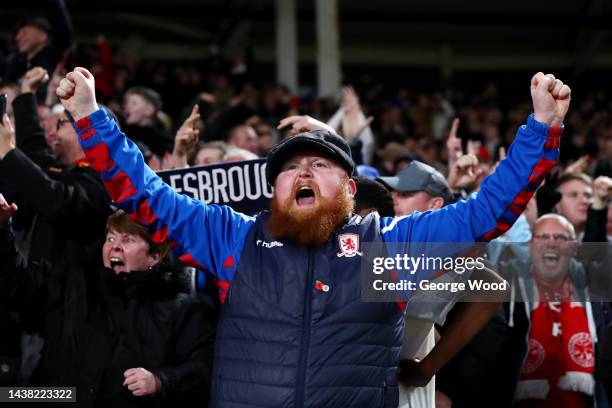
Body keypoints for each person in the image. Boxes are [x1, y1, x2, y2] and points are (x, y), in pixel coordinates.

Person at [56, 67, 569, 406]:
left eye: (319, 165)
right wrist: (89, 117)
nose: (302, 172)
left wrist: (540, 127)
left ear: (348, 189)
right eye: (289, 167)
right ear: (272, 189)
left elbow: (485, 217)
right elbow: (148, 197)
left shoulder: (382, 249)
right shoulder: (236, 240)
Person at [0, 205, 215, 407]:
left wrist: (160, 382)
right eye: (110, 238)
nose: (115, 246)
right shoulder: (74, 286)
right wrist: (1, 229)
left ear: (155, 256)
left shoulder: (184, 312)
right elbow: (15, 284)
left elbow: (203, 369)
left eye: (128, 239)